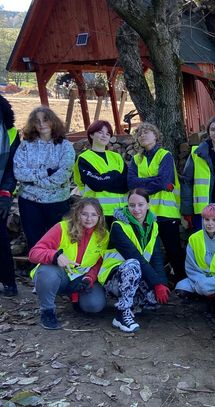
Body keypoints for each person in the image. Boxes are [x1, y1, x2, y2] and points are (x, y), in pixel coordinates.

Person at [29, 198, 109, 329]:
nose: (89, 219)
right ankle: (47, 311)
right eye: (84, 214)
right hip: (60, 276)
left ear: (100, 217)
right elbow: (34, 253)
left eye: (94, 215)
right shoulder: (62, 227)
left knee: (94, 306)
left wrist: (90, 278)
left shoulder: (103, 235)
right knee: (47, 271)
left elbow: (100, 262)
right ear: (77, 214)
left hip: (81, 279)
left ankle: (75, 297)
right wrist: (55, 256)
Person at [98, 188, 170, 333]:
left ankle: (131, 306)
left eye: (140, 205)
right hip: (113, 279)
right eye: (132, 205)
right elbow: (135, 256)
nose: (136, 209)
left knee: (155, 299)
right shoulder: (118, 226)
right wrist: (156, 283)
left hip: (136, 275)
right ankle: (121, 314)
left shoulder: (153, 225)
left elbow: (156, 256)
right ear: (127, 205)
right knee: (133, 264)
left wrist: (162, 283)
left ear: (148, 205)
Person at [14, 106, 75, 253]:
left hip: (57, 202)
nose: (41, 124)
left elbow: (62, 175)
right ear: (32, 124)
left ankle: (56, 273)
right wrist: (46, 172)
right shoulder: (25, 146)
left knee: (57, 242)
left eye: (45, 120)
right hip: (30, 203)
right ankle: (37, 272)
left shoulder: (65, 147)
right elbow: (19, 172)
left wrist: (32, 180)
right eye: (37, 121)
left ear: (53, 122)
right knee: (34, 241)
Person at [127, 123, 183, 282]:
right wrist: (154, 182)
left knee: (173, 250)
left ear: (156, 136)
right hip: (144, 213)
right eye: (140, 133)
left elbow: (164, 181)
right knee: (150, 250)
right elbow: (131, 183)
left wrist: (142, 183)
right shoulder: (136, 159)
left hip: (166, 212)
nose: (143, 135)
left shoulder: (165, 155)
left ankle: (181, 283)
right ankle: (155, 283)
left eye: (147, 132)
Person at [73, 120, 128, 226]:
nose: (104, 136)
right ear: (91, 135)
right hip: (96, 213)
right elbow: (96, 184)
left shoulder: (116, 157)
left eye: (107, 134)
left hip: (121, 212)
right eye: (100, 132)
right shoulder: (84, 158)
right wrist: (115, 174)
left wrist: (105, 179)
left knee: (119, 243)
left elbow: (126, 184)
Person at [0, 95, 20, 296]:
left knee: (1, 241)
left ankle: (8, 282)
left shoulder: (11, 134)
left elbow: (11, 169)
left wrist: (6, 193)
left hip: (0, 194)